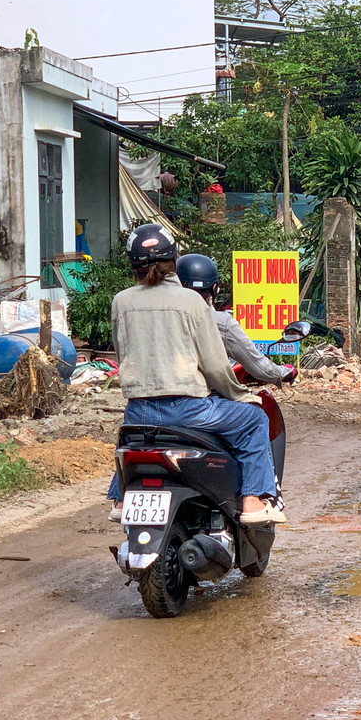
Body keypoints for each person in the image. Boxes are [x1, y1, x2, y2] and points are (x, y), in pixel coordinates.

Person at [106, 224, 285, 526]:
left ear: (133, 264)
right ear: (173, 260)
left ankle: (122, 499)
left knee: (133, 440)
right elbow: (215, 366)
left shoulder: (121, 301)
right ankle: (253, 502)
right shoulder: (191, 302)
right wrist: (240, 395)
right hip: (187, 410)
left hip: (138, 409)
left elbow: (124, 355)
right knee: (255, 419)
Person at [174, 253, 294, 385]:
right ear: (214, 288)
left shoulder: (160, 316)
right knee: (251, 400)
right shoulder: (221, 322)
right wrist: (283, 372)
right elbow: (259, 367)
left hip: (158, 392)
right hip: (199, 393)